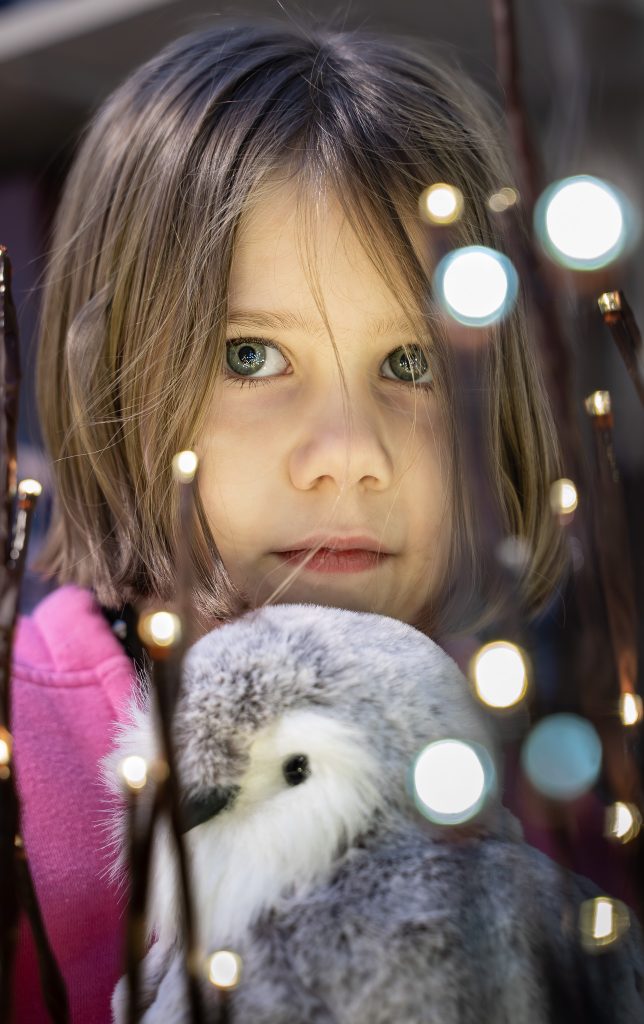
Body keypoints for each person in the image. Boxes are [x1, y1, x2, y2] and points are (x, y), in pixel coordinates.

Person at [10, 18, 568, 1023]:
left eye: (413, 363)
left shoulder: (545, 786)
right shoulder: (16, 766)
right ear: (112, 387)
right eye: (251, 357)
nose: (350, 451)